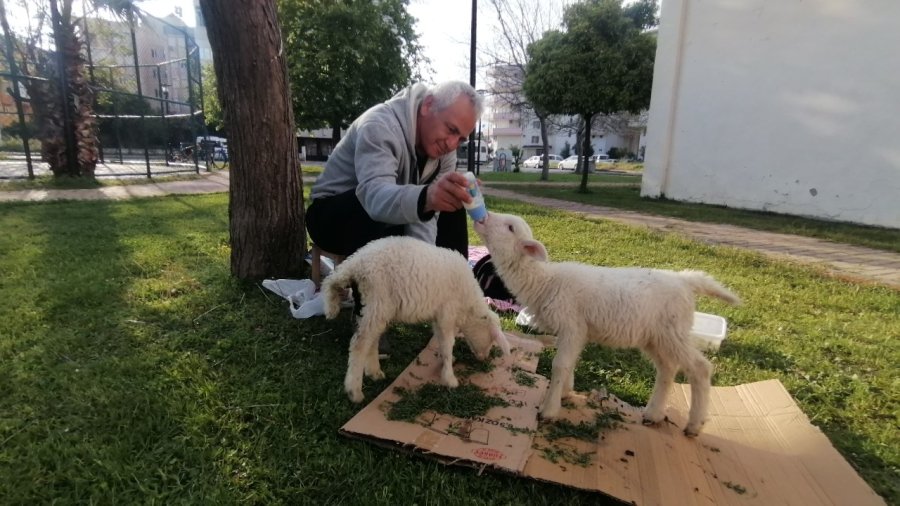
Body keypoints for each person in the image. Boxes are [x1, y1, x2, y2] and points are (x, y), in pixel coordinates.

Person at [306, 81, 484, 259]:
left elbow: (427, 215)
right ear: (428, 105)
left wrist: (421, 264)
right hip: (329, 216)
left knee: (452, 202)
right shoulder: (379, 125)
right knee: (368, 204)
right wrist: (426, 198)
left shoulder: (445, 153)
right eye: (451, 129)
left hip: (386, 221)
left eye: (461, 139)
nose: (452, 144)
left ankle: (452, 283)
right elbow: (375, 198)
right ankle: (363, 284)